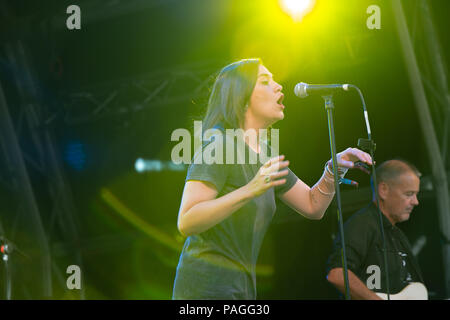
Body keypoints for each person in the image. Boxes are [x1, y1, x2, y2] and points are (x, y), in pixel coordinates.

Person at [172, 58, 372, 300]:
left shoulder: (265, 154)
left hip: (242, 289)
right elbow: (187, 221)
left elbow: (312, 206)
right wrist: (250, 189)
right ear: (241, 97)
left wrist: (334, 170)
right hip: (205, 290)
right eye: (265, 82)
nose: (278, 86)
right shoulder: (220, 144)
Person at [326, 159, 425, 300]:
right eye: (409, 194)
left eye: (416, 194)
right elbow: (337, 274)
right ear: (383, 190)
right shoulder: (363, 224)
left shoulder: (397, 235)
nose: (415, 201)